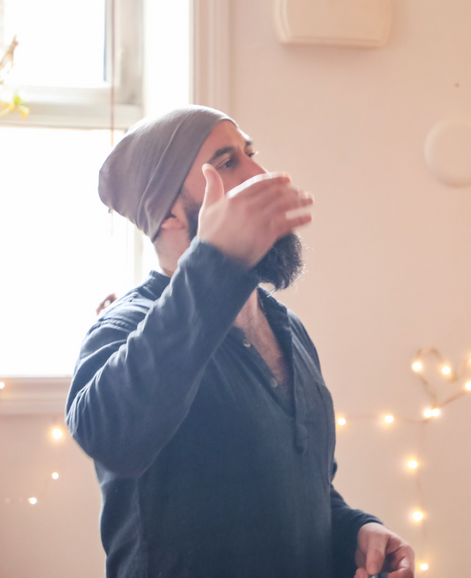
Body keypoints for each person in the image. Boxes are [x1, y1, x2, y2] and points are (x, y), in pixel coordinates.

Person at [66, 106, 413, 578]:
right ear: (167, 211)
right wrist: (213, 260)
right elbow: (108, 435)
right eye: (228, 163)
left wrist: (355, 531)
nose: (261, 175)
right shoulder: (126, 326)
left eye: (251, 154)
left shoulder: (287, 328)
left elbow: (302, 490)